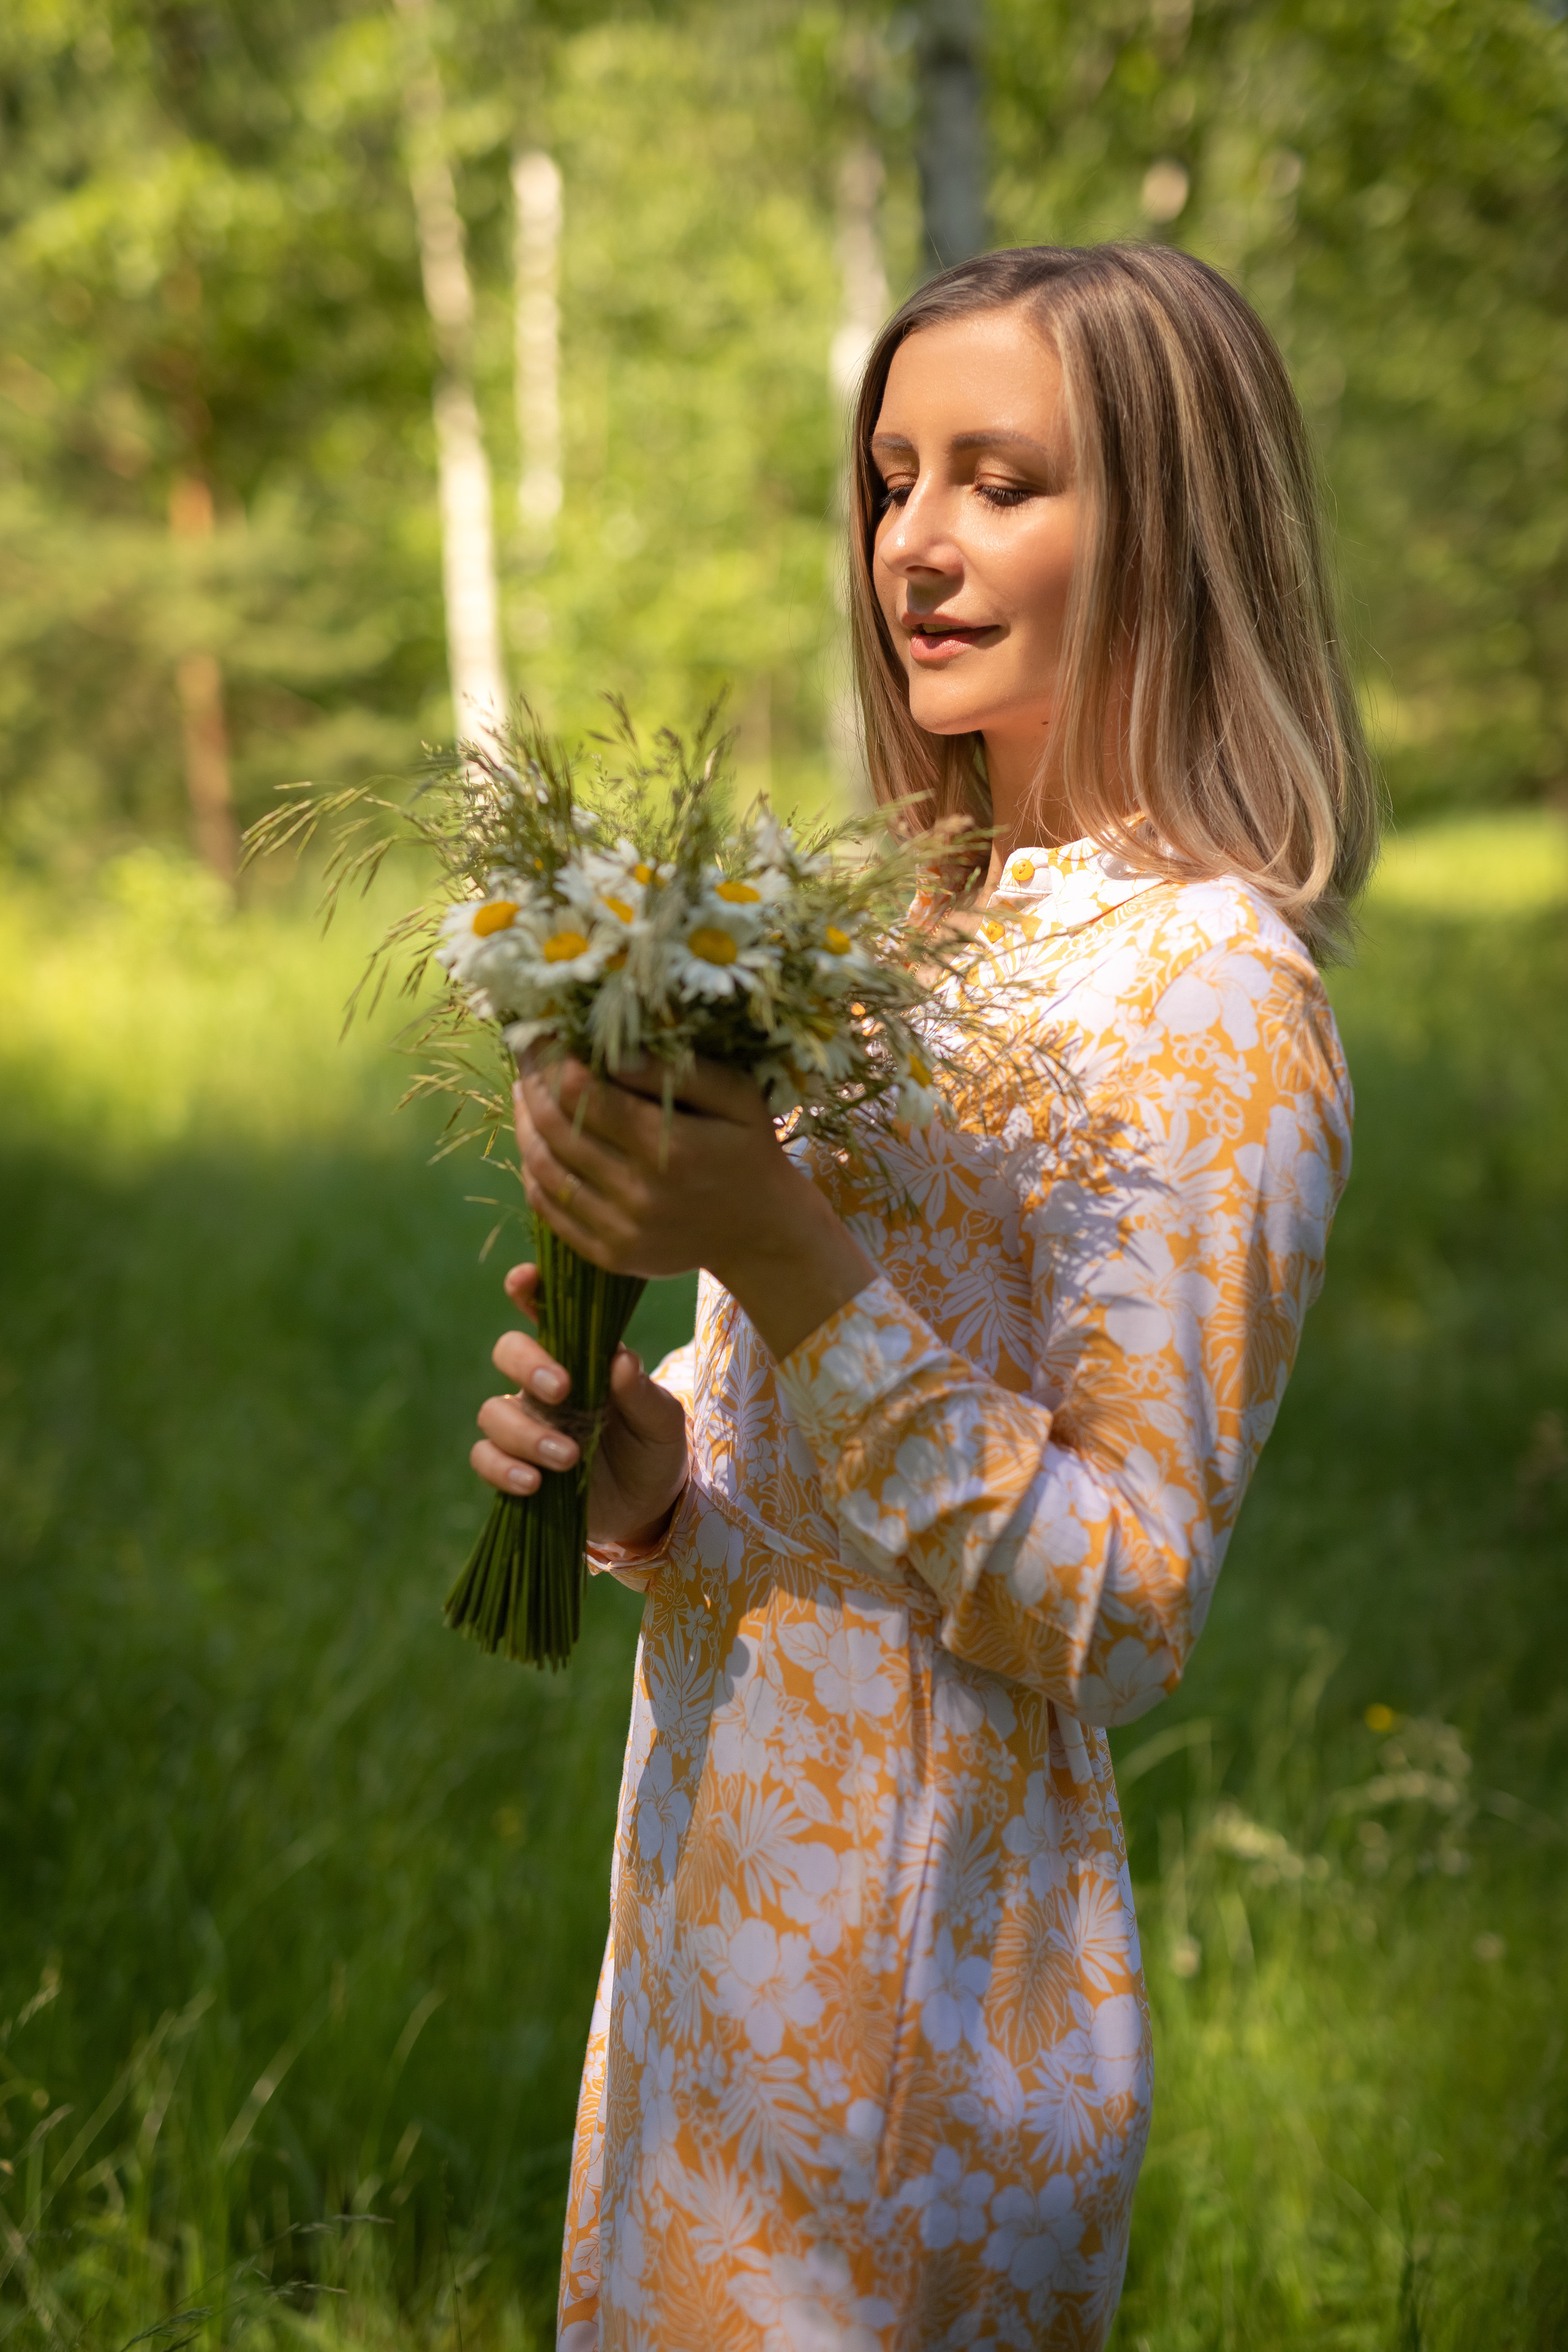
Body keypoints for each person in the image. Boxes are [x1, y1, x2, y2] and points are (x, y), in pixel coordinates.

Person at [471, 243, 1378, 2352]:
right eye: (892, 480)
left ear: (1173, 529)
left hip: (920, 2013)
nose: (916, 544)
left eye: (1001, 480)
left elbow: (1121, 1605)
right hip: (715, 1927)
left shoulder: (1212, 992)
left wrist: (781, 1247)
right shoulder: (916, 939)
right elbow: (836, 1501)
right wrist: (657, 1484)